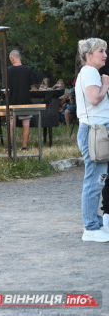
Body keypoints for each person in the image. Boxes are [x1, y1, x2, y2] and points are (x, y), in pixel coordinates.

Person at [74, 38, 109, 242]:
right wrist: (105, 84)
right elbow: (94, 98)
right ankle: (90, 228)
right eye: (101, 51)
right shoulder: (89, 72)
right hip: (94, 130)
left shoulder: (90, 72)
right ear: (89, 55)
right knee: (95, 180)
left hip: (98, 129)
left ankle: (95, 222)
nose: (105, 55)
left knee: (99, 177)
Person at [7, 50, 36, 151]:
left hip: (12, 101)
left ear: (12, 58)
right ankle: (24, 147)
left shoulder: (9, 70)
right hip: (25, 100)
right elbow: (32, 86)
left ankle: (9, 147)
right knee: (26, 124)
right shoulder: (28, 69)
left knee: (11, 123)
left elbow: (6, 88)